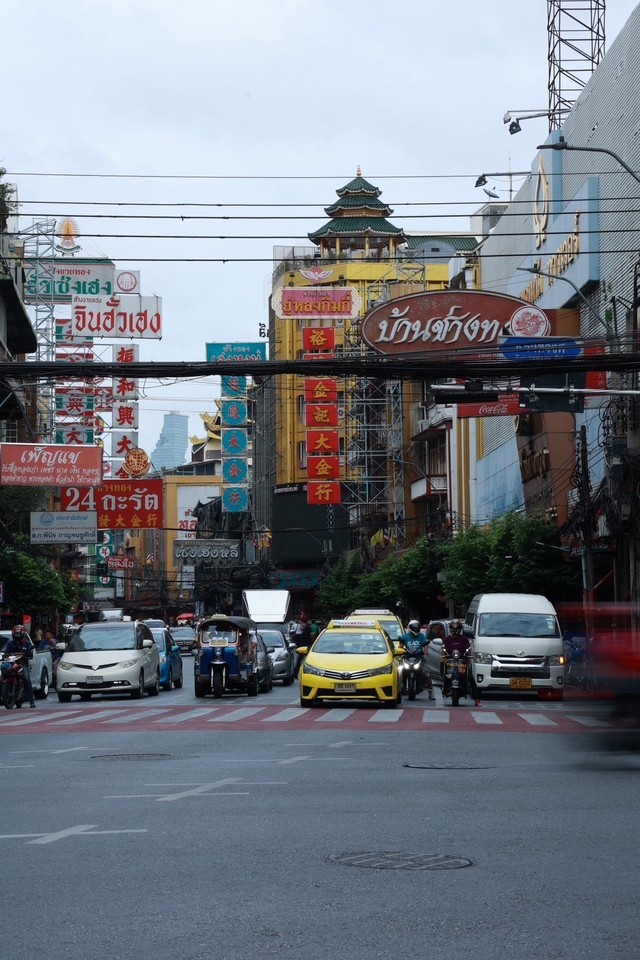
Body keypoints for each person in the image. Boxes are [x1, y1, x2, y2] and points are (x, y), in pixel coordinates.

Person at [443, 619, 481, 706]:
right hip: (450, 662)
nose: (455, 630)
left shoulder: (464, 639)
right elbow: (445, 650)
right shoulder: (447, 639)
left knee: (470, 678)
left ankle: (477, 699)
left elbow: (468, 649)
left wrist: (468, 657)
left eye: (457, 628)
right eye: (453, 628)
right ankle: (444, 688)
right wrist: (445, 656)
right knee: (445, 675)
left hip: (462, 662)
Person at [399, 619, 435, 700]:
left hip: (419, 658)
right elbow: (400, 646)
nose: (416, 630)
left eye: (417, 628)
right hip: (407, 658)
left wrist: (425, 651)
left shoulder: (421, 636)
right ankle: (399, 690)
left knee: (427, 673)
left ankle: (430, 693)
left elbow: (425, 644)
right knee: (399, 672)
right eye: (414, 628)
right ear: (410, 628)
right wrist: (399, 652)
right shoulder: (405, 637)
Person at [4, 624, 36, 707]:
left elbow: (30, 653)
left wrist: (27, 653)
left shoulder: (27, 643)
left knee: (26, 679)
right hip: (12, 663)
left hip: (22, 663)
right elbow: (6, 652)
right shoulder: (11, 643)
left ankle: (31, 701)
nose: (17, 635)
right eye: (16, 633)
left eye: (18, 633)